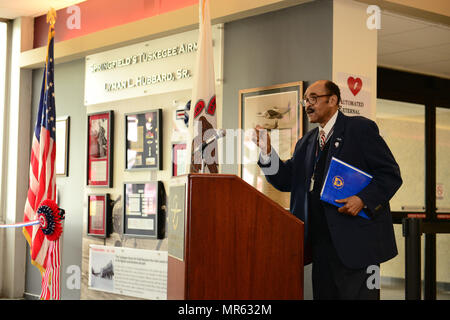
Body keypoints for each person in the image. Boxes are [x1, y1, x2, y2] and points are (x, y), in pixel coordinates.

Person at [253, 80, 402, 300]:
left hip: (358, 245)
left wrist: (362, 199)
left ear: (333, 100)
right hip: (321, 247)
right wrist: (267, 153)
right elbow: (285, 180)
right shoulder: (306, 142)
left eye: (313, 98)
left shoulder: (359, 129)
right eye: (305, 100)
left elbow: (390, 175)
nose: (307, 105)